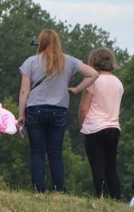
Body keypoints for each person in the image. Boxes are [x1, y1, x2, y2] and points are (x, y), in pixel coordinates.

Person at [17, 29, 98, 192]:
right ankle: (59, 189)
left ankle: (38, 189)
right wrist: (76, 89)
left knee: (37, 152)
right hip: (58, 111)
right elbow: (93, 74)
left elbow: (24, 91)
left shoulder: (31, 62)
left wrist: (21, 114)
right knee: (55, 153)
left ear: (40, 42)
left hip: (35, 110)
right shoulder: (68, 61)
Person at [79, 47, 123, 200]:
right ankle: (117, 197)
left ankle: (101, 197)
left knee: (98, 166)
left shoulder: (93, 80)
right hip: (113, 127)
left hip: (95, 127)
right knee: (111, 166)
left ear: (93, 62)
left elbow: (84, 108)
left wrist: (81, 123)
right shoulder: (118, 82)